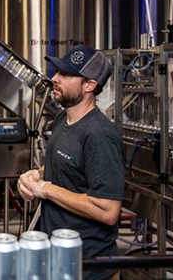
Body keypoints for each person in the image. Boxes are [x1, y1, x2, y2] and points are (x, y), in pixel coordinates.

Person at [17, 45, 124, 280]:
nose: (55, 78)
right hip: (57, 259)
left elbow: (108, 211)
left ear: (90, 85)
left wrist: (46, 189)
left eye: (66, 74)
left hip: (89, 268)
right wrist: (35, 176)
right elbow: (68, 166)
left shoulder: (98, 135)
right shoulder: (61, 120)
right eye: (57, 71)